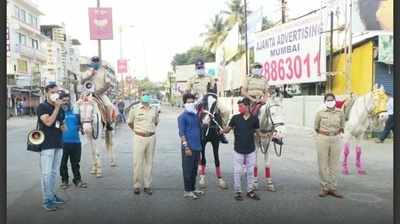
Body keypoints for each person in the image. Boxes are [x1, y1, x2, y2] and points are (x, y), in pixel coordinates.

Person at [221, 98, 261, 201]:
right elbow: (227, 130)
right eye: (238, 106)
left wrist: (269, 135)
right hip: (238, 149)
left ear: (247, 107)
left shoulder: (255, 119)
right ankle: (238, 192)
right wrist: (222, 130)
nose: (239, 108)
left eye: (241, 106)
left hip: (251, 150)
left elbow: (258, 133)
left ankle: (250, 191)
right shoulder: (235, 118)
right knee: (237, 171)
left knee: (250, 171)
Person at [36, 83, 66, 211]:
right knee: (46, 173)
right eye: (53, 92)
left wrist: (65, 127)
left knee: (54, 173)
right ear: (47, 93)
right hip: (47, 145)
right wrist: (57, 108)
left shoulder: (60, 108)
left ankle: (52, 195)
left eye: (57, 92)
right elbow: (48, 122)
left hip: (58, 144)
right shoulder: (42, 107)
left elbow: (61, 126)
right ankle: (46, 200)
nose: (55, 94)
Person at [186, 59, 228, 144]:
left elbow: (213, 90)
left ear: (204, 67)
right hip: (197, 100)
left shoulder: (210, 78)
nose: (200, 69)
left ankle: (221, 131)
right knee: (187, 114)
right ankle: (189, 134)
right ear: (196, 68)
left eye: (201, 67)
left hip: (209, 100)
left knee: (226, 111)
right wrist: (190, 99)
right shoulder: (191, 79)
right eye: (198, 68)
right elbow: (187, 91)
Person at [314, 93, 345, 198]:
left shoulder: (340, 113)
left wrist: (336, 134)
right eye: (328, 100)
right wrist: (323, 134)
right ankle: (324, 187)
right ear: (325, 102)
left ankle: (333, 188)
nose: (330, 101)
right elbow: (316, 127)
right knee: (323, 164)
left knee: (334, 165)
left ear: (335, 101)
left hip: (336, 138)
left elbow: (342, 126)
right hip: (323, 138)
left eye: (332, 100)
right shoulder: (320, 113)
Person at [127, 94, 159, 195]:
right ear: (141, 98)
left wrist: (149, 130)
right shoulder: (134, 109)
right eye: (144, 96)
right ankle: (136, 185)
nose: (146, 98)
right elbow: (130, 122)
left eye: (147, 96)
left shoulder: (154, 109)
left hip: (151, 137)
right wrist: (137, 131)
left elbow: (156, 122)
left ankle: (147, 186)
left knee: (149, 162)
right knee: (137, 162)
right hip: (139, 137)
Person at [178, 93, 205, 199]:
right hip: (188, 148)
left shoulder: (195, 116)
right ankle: (187, 190)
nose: (190, 104)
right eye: (188, 102)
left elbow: (199, 129)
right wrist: (186, 147)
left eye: (192, 102)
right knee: (187, 170)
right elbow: (182, 133)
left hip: (197, 147)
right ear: (184, 103)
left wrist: (204, 123)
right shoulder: (182, 117)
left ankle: (193, 188)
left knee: (194, 170)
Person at [59, 93, 87, 189]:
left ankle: (77, 180)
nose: (66, 102)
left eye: (67, 100)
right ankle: (64, 181)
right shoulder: (57, 113)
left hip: (76, 142)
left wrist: (82, 128)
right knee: (63, 164)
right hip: (62, 143)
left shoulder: (75, 113)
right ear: (60, 101)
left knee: (75, 163)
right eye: (64, 100)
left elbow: (81, 127)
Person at [80, 56, 114, 131]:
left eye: (97, 61)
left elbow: (108, 83)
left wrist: (101, 91)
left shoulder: (104, 71)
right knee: (78, 105)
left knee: (109, 105)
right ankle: (79, 124)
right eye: (94, 61)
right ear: (91, 62)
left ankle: (108, 123)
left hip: (100, 93)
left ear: (99, 62)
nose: (95, 63)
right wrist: (90, 75)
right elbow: (82, 81)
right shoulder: (87, 71)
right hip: (87, 94)